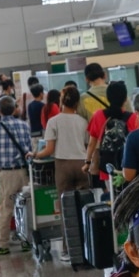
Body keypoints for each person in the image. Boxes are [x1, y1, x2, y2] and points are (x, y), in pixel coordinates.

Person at [34, 86, 89, 260]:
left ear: (61, 101)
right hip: (82, 165)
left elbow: (49, 149)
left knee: (67, 209)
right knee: (84, 207)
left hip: (63, 166)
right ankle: (87, 247)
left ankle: (67, 250)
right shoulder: (82, 121)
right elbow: (88, 146)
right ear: (77, 102)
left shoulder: (54, 121)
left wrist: (34, 154)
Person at [0, 96, 33, 256]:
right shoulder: (24, 125)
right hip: (25, 173)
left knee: (6, 208)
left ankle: (3, 244)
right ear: (15, 109)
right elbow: (29, 149)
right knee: (26, 207)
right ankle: (27, 241)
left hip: (8, 174)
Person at [86, 81, 139, 190]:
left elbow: (92, 143)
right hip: (128, 167)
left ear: (108, 97)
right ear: (125, 98)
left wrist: (87, 162)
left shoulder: (98, 115)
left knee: (112, 200)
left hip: (107, 167)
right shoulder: (133, 118)